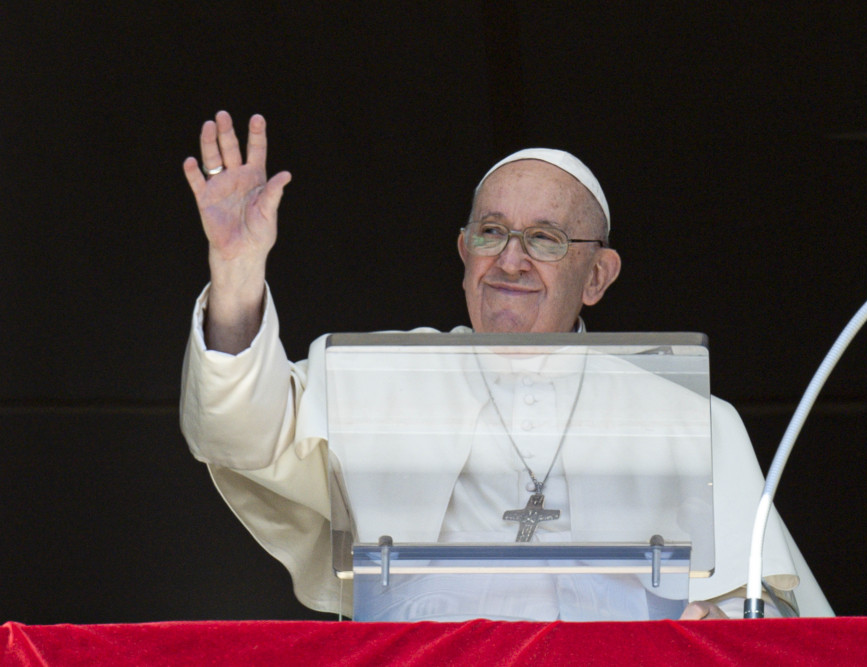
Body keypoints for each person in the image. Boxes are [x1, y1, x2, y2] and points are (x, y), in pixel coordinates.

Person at [180, 111, 832, 620]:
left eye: (545, 239)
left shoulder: (694, 422)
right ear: (465, 252)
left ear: (598, 275)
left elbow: (770, 612)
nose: (511, 260)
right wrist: (236, 275)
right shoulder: (374, 375)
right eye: (491, 233)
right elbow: (237, 433)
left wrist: (710, 618)